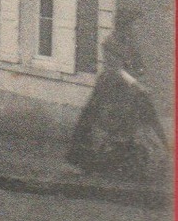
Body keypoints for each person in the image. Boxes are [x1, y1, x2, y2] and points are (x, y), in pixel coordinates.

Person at [68, 11, 170, 182]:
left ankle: (136, 163)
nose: (135, 28)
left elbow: (139, 65)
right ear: (124, 25)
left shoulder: (131, 43)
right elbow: (116, 69)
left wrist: (141, 74)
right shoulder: (110, 42)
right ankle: (89, 163)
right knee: (100, 121)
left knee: (143, 120)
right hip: (112, 86)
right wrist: (136, 83)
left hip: (132, 88)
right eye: (133, 24)